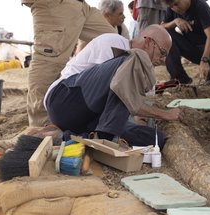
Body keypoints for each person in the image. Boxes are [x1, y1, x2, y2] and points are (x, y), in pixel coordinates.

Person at [44, 25, 182, 148]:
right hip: (64, 100)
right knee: (130, 60)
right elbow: (120, 90)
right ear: (148, 42)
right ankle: (106, 137)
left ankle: (72, 137)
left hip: (90, 119)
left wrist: (140, 126)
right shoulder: (112, 43)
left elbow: (134, 105)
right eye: (162, 53)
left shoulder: (143, 71)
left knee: (156, 138)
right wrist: (165, 114)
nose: (164, 60)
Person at [22, 0, 116, 127]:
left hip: (80, 5)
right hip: (57, 5)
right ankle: (40, 127)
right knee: (48, 61)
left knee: (114, 42)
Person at [161, 0, 210, 84]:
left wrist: (205, 60)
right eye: (171, 6)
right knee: (166, 33)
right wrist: (175, 21)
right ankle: (180, 79)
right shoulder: (171, 8)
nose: (175, 8)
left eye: (176, 4)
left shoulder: (200, 5)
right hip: (193, 49)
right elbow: (161, 27)